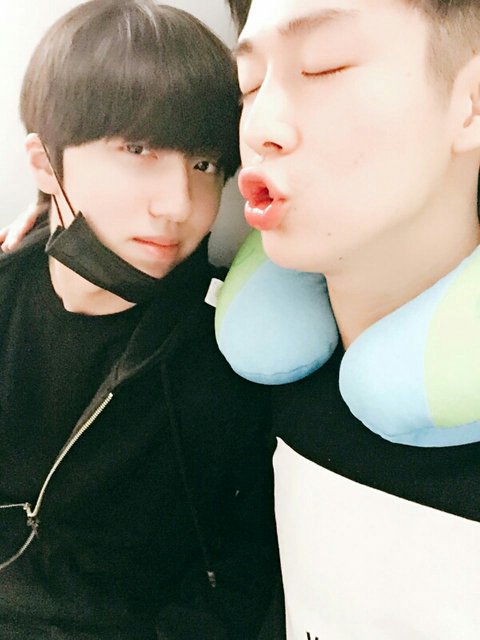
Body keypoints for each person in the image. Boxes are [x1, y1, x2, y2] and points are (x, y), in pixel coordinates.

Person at [0, 1, 279, 638]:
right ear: (45, 163)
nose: (180, 204)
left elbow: (246, 565)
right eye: (138, 148)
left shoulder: (230, 348)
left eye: (206, 164)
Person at [223, 0, 480, 638]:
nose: (260, 127)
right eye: (248, 86)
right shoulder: (238, 372)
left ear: (472, 103)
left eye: (324, 67)